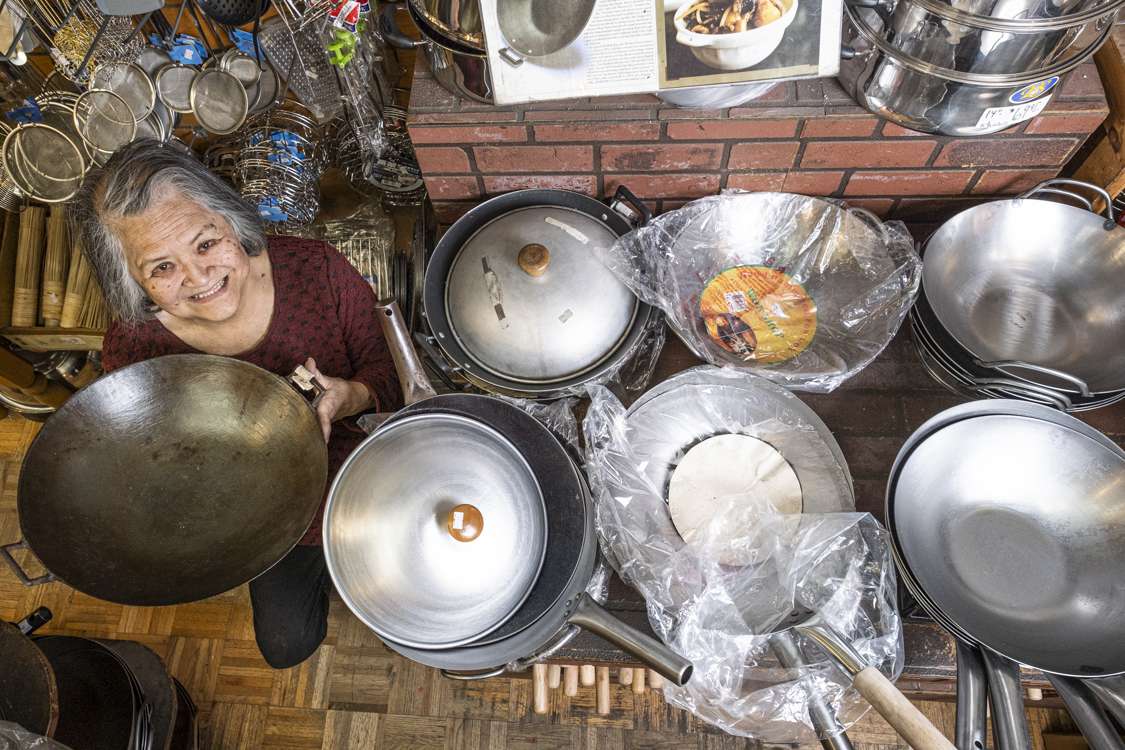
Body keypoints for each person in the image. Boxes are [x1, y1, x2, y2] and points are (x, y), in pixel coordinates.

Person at [68, 139, 401, 669]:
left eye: (205, 245)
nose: (200, 279)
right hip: (261, 521)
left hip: (365, 473)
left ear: (229, 221)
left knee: (402, 614)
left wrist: (349, 396)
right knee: (286, 646)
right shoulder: (135, 347)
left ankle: (373, 589)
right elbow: (148, 459)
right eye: (162, 268)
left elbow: (389, 376)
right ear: (131, 279)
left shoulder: (317, 271)